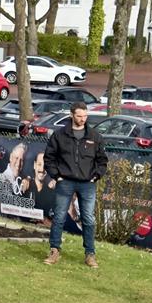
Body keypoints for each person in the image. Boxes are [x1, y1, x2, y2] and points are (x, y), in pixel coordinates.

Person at [41, 102, 108, 269]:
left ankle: (90, 254)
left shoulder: (95, 136)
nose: (83, 119)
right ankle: (54, 250)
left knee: (88, 218)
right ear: (71, 115)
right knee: (59, 217)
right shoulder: (59, 135)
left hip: (87, 184)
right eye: (79, 116)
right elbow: (49, 158)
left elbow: (102, 161)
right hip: (65, 182)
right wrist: (57, 176)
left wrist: (96, 176)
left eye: (85, 116)